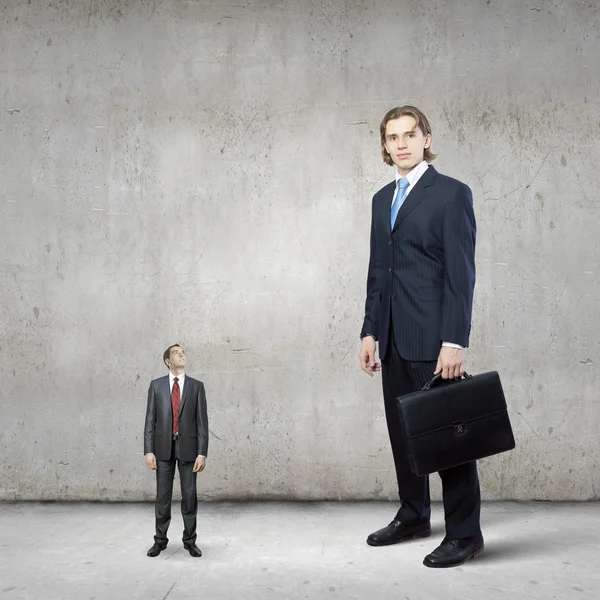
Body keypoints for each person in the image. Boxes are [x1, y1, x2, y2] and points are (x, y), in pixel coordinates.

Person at [359, 105, 482, 568]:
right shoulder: (380, 200)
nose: (402, 144)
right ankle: (413, 514)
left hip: (434, 339)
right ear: (385, 146)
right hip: (391, 337)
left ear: (427, 138)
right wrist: (370, 330)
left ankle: (466, 535)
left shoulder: (451, 195)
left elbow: (461, 274)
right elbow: (379, 271)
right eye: (393, 138)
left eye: (411, 134)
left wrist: (454, 339)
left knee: (450, 439)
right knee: (403, 435)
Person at [144, 344, 209, 557]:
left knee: (189, 497)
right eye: (175, 353)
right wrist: (148, 450)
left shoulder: (196, 387)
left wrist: (202, 452)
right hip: (162, 449)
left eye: (182, 352)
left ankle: (190, 541)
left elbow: (202, 423)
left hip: (189, 450)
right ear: (167, 362)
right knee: (162, 497)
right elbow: (150, 421)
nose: (181, 354)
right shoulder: (156, 386)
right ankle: (160, 541)